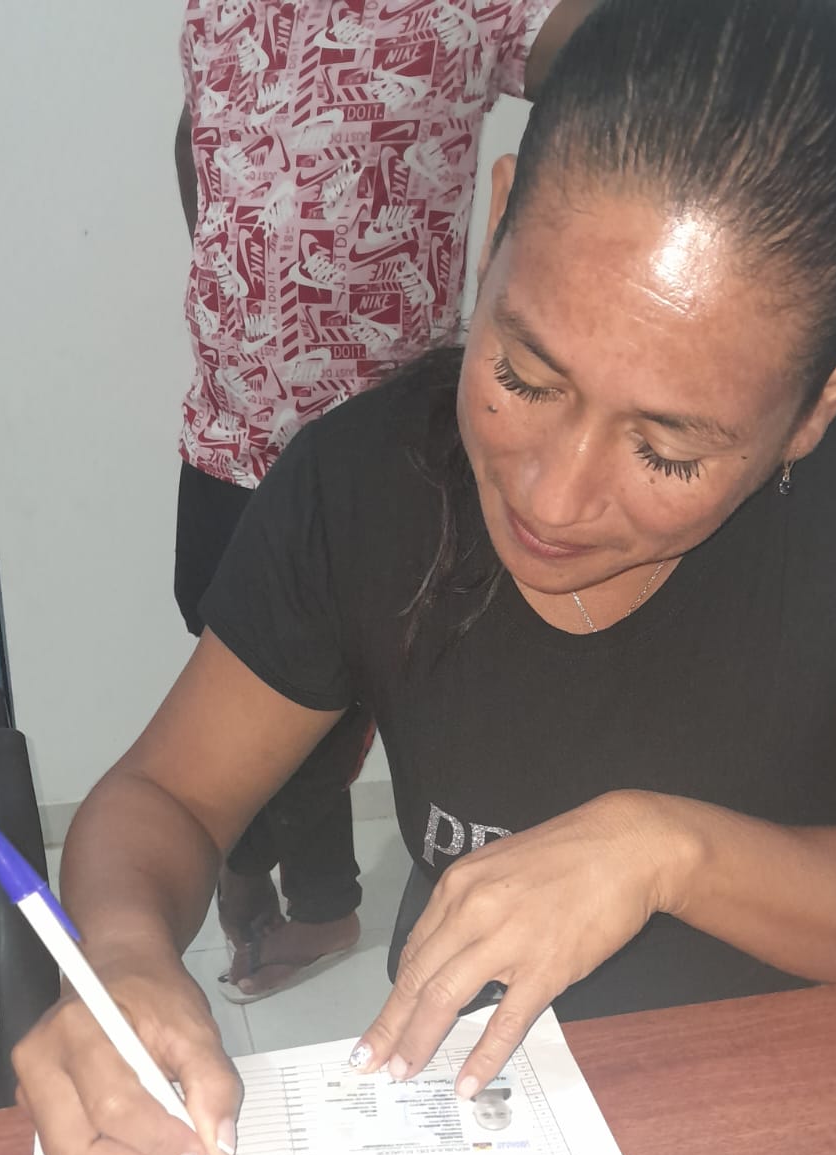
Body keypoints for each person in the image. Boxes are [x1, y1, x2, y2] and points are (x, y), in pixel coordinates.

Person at [17, 0, 836, 1155]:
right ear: (495, 224)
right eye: (521, 375)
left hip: (826, 1126)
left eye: (668, 451)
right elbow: (165, 795)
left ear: (820, 407)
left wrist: (668, 852)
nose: (553, 500)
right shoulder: (364, 482)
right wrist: (124, 956)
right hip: (501, 1146)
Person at [172, 0, 595, 1001]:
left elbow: (631, 64)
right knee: (238, 654)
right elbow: (198, 129)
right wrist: (227, 262)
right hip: (227, 423)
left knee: (348, 685)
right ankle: (300, 883)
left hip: (382, 443)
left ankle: (285, 880)